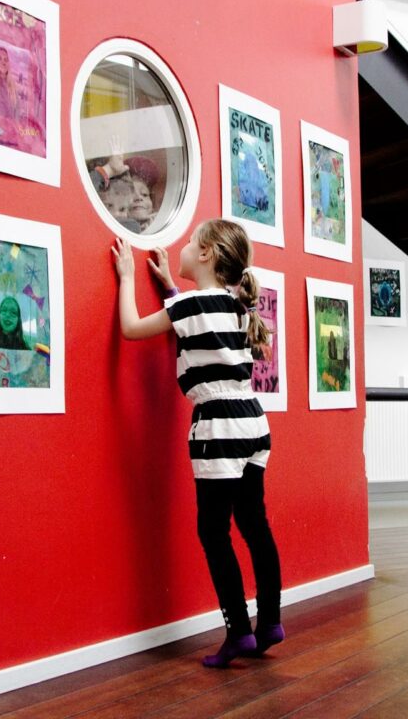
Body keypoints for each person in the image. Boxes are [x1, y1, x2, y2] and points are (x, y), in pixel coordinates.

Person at [111, 219, 284, 668]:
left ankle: (238, 633)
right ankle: (269, 623)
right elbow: (197, 326)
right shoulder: (239, 305)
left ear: (206, 254)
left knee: (213, 531)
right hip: (253, 422)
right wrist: (169, 283)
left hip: (217, 427)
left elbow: (131, 328)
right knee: (254, 524)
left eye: (190, 242)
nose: (184, 247)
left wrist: (128, 277)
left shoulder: (189, 306)